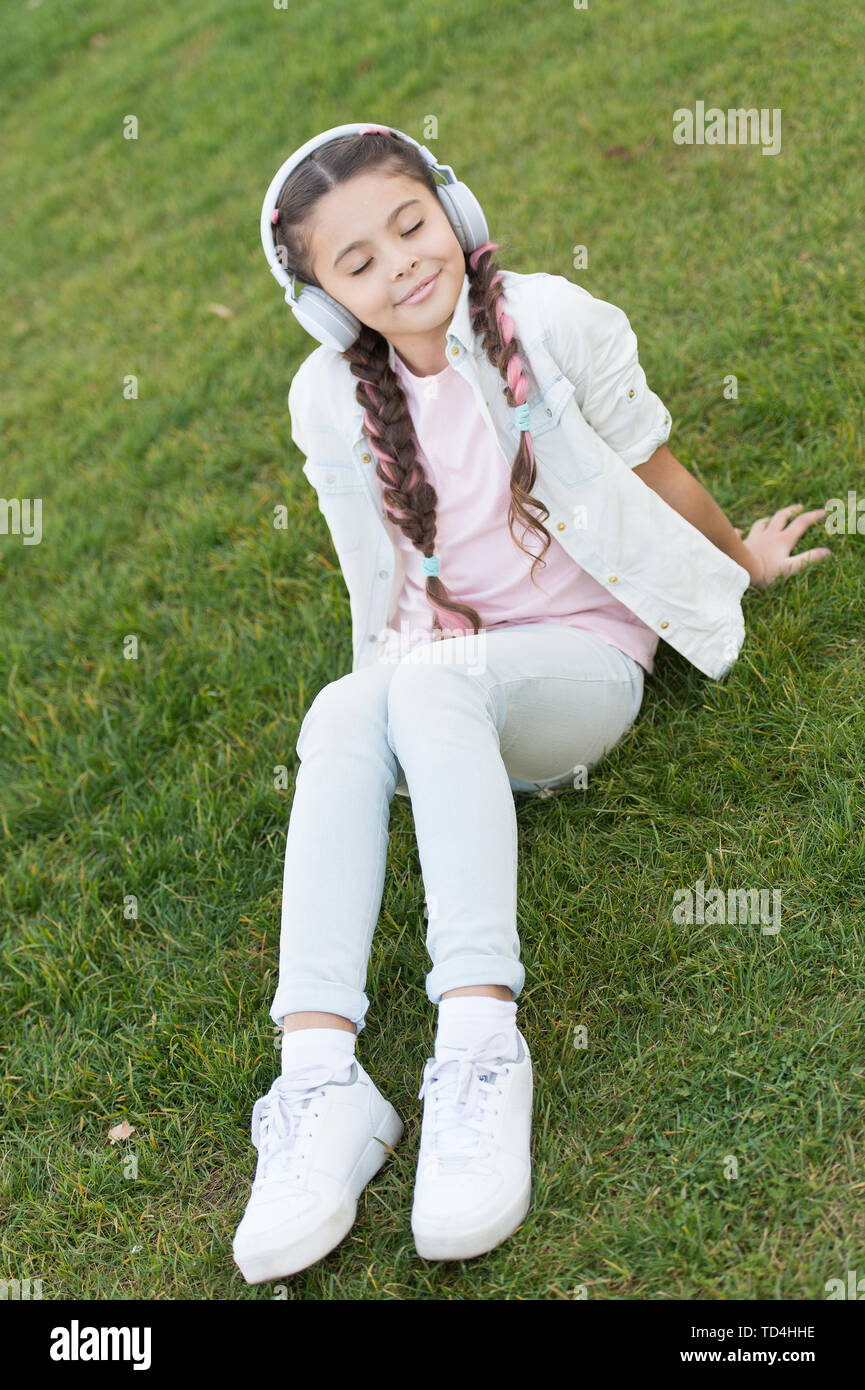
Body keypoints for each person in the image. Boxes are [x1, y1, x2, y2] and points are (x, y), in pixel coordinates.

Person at [232, 124, 832, 1284]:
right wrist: (386, 704)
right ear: (321, 299)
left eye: (411, 224)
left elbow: (653, 464)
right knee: (335, 714)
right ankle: (318, 1082)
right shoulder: (327, 401)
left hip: (581, 666)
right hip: (443, 683)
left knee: (427, 683)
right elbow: (376, 576)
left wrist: (738, 568)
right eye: (357, 261)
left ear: (449, 210)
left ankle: (478, 1044)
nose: (401, 264)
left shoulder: (551, 320)